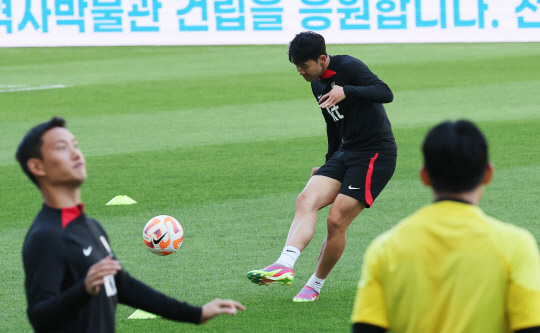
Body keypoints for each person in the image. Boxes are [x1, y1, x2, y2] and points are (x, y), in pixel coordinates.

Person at [17, 117, 245, 333]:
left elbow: (123, 286)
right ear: (38, 167)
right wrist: (83, 290)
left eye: (75, 145)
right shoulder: (46, 236)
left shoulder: (90, 226)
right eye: (62, 148)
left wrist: (196, 313)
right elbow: (39, 316)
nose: (76, 154)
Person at [247, 31, 397, 302]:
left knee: (336, 220)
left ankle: (314, 285)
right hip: (346, 152)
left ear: (323, 58)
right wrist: (330, 165)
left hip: (375, 154)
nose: (300, 71)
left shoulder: (349, 66)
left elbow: (386, 93)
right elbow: (333, 124)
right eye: (296, 66)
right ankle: (284, 263)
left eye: (304, 65)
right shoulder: (316, 83)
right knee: (306, 198)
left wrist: (347, 90)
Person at [351, 120, 540, 333]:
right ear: (488, 174)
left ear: (424, 176)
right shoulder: (517, 246)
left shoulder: (385, 248)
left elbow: (365, 329)